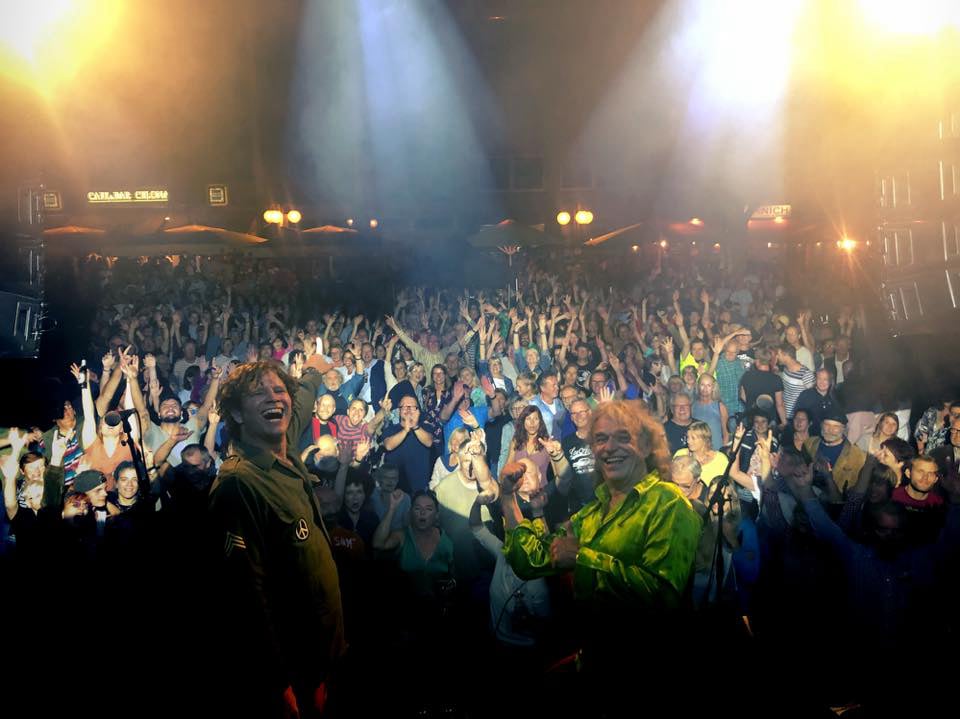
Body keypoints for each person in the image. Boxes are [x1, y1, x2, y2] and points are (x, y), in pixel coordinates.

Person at [500, 401, 701, 679]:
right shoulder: (593, 512)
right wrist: (508, 498)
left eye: (623, 437)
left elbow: (662, 597)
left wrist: (584, 557)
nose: (609, 447)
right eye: (601, 439)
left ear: (644, 446)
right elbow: (530, 561)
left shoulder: (669, 504)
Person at [208, 360, 344, 717]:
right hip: (297, 674)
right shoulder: (240, 484)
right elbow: (246, 597)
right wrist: (279, 682)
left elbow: (301, 397)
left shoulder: (282, 446)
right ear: (236, 413)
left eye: (278, 390)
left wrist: (314, 371)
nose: (274, 398)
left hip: (326, 653)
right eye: (258, 393)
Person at [381, 397, 434, 494]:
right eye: (405, 406)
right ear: (399, 410)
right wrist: (406, 429)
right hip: (394, 487)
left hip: (418, 488)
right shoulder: (391, 429)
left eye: (412, 407)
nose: (408, 409)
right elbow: (388, 445)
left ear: (418, 410)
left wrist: (414, 426)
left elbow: (429, 442)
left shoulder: (426, 427)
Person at [673, 421, 728, 490]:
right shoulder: (680, 454)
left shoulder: (720, 459)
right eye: (688, 437)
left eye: (693, 438)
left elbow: (726, 486)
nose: (688, 441)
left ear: (704, 439)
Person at [738, 348, 785, 426]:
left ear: (757, 361)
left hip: (752, 419)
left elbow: (743, 397)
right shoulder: (776, 379)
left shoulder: (747, 376)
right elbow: (779, 404)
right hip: (769, 421)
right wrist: (784, 422)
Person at [794, 368, 844, 437]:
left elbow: (841, 419)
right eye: (819, 379)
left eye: (825, 379)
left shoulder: (834, 397)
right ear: (815, 380)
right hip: (809, 437)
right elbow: (796, 417)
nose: (822, 382)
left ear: (830, 381)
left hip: (829, 436)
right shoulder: (805, 395)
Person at [691, 374, 728, 449]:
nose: (705, 388)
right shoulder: (692, 406)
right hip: (698, 451)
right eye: (702, 385)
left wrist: (723, 453)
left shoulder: (720, 406)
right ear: (698, 386)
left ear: (713, 388)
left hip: (716, 451)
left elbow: (726, 434)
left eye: (708, 385)